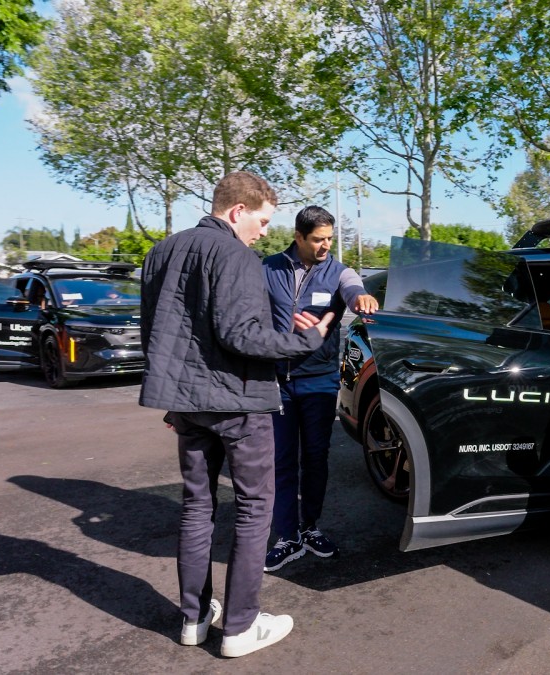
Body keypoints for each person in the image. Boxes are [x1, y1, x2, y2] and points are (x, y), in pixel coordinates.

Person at [139, 171, 336, 659]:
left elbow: (157, 332)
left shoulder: (160, 252)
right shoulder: (236, 254)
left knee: (197, 506)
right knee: (253, 509)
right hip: (239, 402)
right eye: (263, 220)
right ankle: (241, 627)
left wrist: (174, 396)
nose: (264, 231)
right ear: (236, 211)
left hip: (187, 403)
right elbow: (241, 336)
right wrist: (305, 340)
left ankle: (194, 618)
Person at [261, 206, 379, 572]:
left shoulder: (339, 271)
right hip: (276, 382)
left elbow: (353, 288)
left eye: (330, 238)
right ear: (298, 237)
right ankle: (286, 536)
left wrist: (362, 299)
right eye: (318, 239)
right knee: (282, 461)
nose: (326, 245)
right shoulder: (266, 268)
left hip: (319, 382)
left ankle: (310, 527)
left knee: (315, 458)